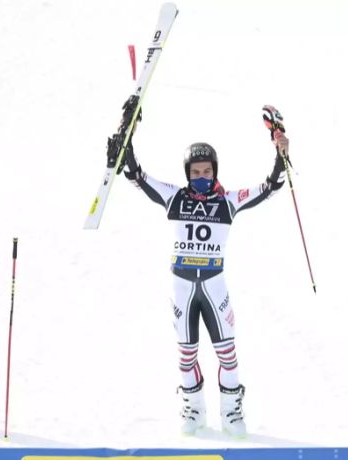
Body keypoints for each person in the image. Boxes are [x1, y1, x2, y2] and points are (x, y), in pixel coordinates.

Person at [107, 104, 289, 438]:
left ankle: (232, 412)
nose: (201, 178)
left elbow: (271, 187)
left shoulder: (228, 202)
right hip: (183, 288)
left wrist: (280, 151)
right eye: (196, 172)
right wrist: (126, 138)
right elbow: (135, 175)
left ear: (215, 172)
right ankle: (194, 409)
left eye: (207, 172)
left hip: (214, 286)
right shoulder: (174, 197)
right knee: (186, 354)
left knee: (227, 352)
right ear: (187, 173)